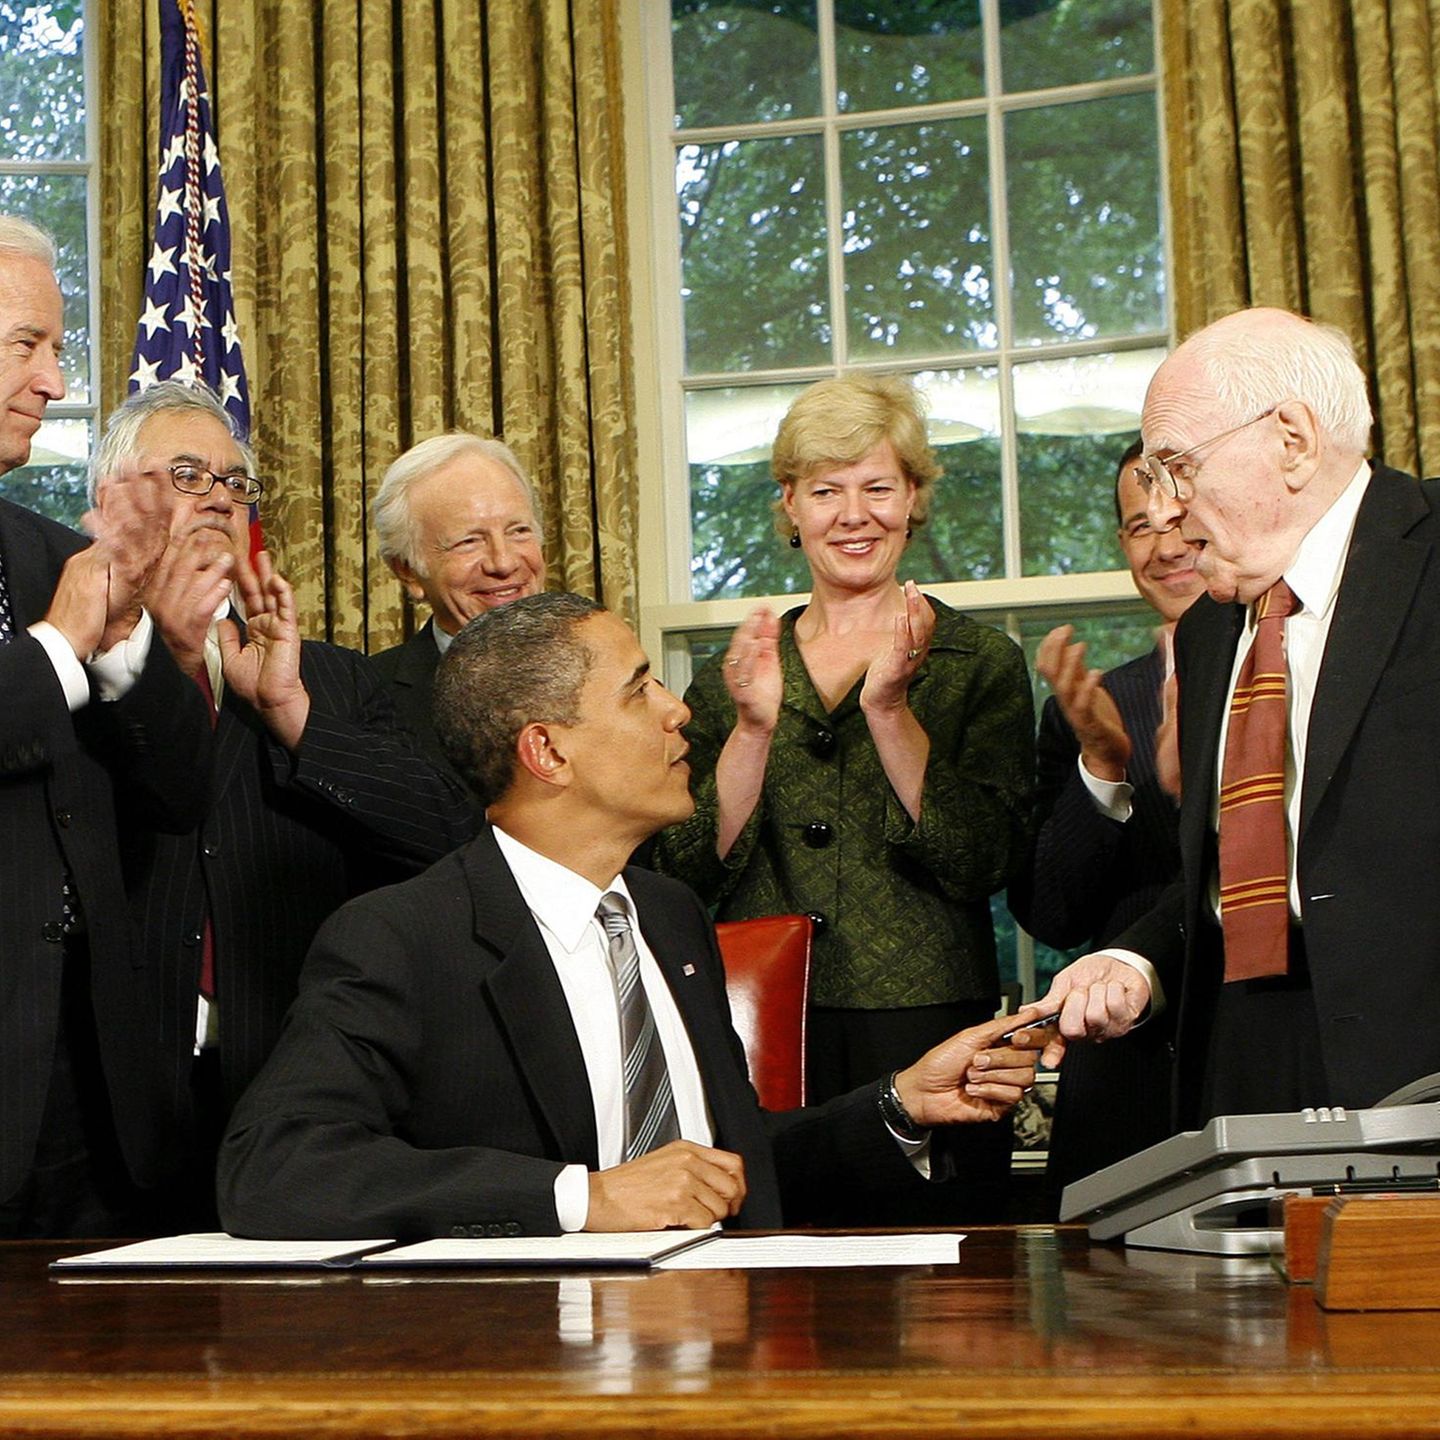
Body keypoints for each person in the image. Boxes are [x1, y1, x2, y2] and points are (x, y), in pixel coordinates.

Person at [217, 593, 1051, 1239]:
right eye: (638, 689)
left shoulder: (667, 913)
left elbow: (725, 1166)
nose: (677, 709)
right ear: (548, 751)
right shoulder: (402, 938)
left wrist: (901, 1102)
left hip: (731, 1345)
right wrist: (583, 1198)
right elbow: (273, 1168)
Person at [1038, 306, 1440, 1126]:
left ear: (1292, 440)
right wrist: (1138, 961)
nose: (1170, 509)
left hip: (1417, 1063)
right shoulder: (1211, 631)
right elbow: (1239, 878)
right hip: (1245, 1061)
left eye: (1178, 467)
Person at [653, 375, 1034, 1222]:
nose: (853, 516)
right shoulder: (732, 677)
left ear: (915, 498)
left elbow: (983, 862)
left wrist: (890, 711)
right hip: (758, 1020)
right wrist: (752, 730)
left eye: (878, 488)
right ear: (790, 504)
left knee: (945, 1273)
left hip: (928, 1023)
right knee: (773, 1259)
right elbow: (681, 871)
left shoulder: (978, 663)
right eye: (826, 491)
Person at [102, 381, 476, 1225]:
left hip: (297, 1098)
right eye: (189, 475)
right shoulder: (70, 667)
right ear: (116, 499)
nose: (219, 498)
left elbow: (451, 845)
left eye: (235, 483)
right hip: (111, 1103)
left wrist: (295, 717)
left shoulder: (330, 680)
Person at [0, 217, 216, 1236]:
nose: (53, 381)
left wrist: (125, 647)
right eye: (26, 344)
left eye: (57, 349)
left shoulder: (60, 558)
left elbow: (182, 791)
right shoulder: (67, 597)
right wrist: (60, 647)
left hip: (94, 1106)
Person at [1008, 438, 1204, 1198]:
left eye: (1178, 519)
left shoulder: (1304, 674)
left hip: (1267, 1056)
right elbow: (1052, 914)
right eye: (1140, 527)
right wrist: (1103, 765)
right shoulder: (1097, 704)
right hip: (1126, 1078)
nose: (1165, 546)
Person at [370, 433, 545, 777]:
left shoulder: (613, 676)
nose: (503, 562)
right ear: (407, 571)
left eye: (518, 531)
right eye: (469, 541)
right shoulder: (369, 702)